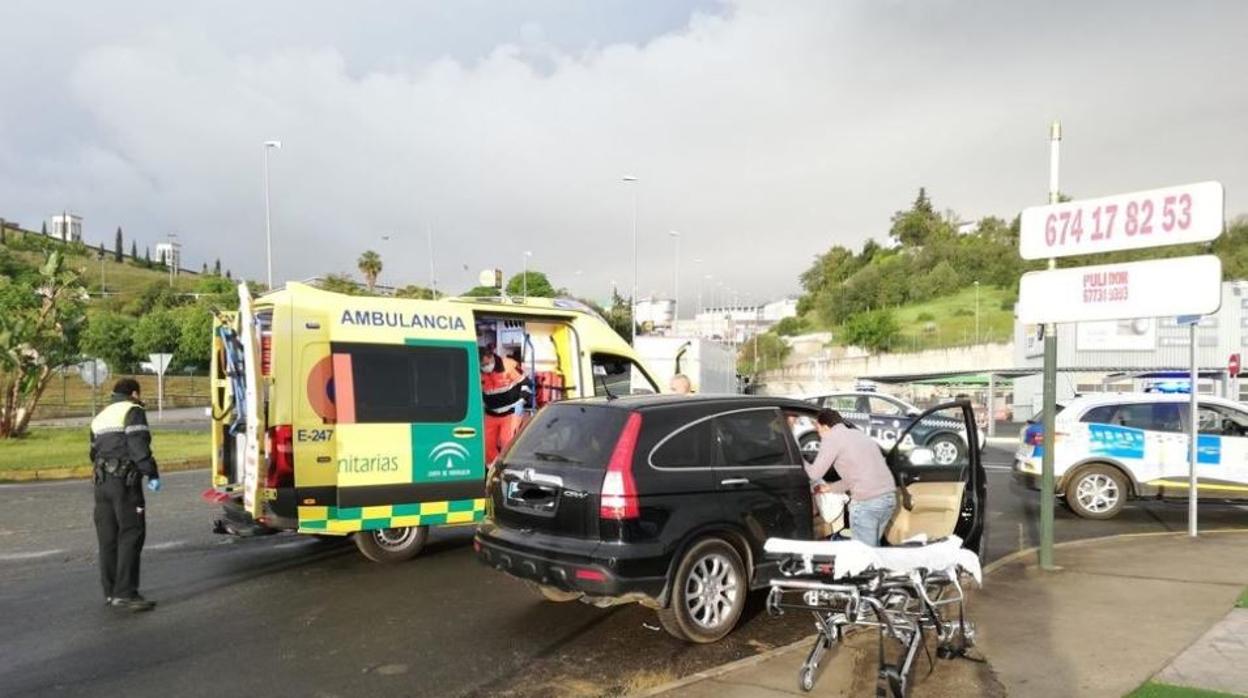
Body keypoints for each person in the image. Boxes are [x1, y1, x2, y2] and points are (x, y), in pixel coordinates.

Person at [90, 378, 160, 611]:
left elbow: (93, 452)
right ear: (134, 393)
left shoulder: (101, 416)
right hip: (125, 483)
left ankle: (111, 593)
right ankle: (126, 593)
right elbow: (138, 445)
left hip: (101, 484)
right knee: (131, 534)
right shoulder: (133, 410)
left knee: (108, 538)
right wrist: (151, 473)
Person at [804, 409, 896, 546]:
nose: (818, 433)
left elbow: (814, 474)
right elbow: (859, 475)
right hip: (887, 500)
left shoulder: (831, 438)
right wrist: (830, 487)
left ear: (824, 426)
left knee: (862, 554)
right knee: (873, 550)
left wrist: (799, 459)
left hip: (867, 503)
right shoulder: (859, 435)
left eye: (817, 428)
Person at [481, 347, 525, 464]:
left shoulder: (508, 365)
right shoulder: (479, 371)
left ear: (491, 358)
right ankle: (493, 469)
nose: (485, 367)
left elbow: (524, 383)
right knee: (487, 444)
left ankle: (507, 467)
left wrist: (522, 405)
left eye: (486, 363)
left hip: (510, 412)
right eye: (482, 364)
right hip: (491, 413)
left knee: (507, 442)